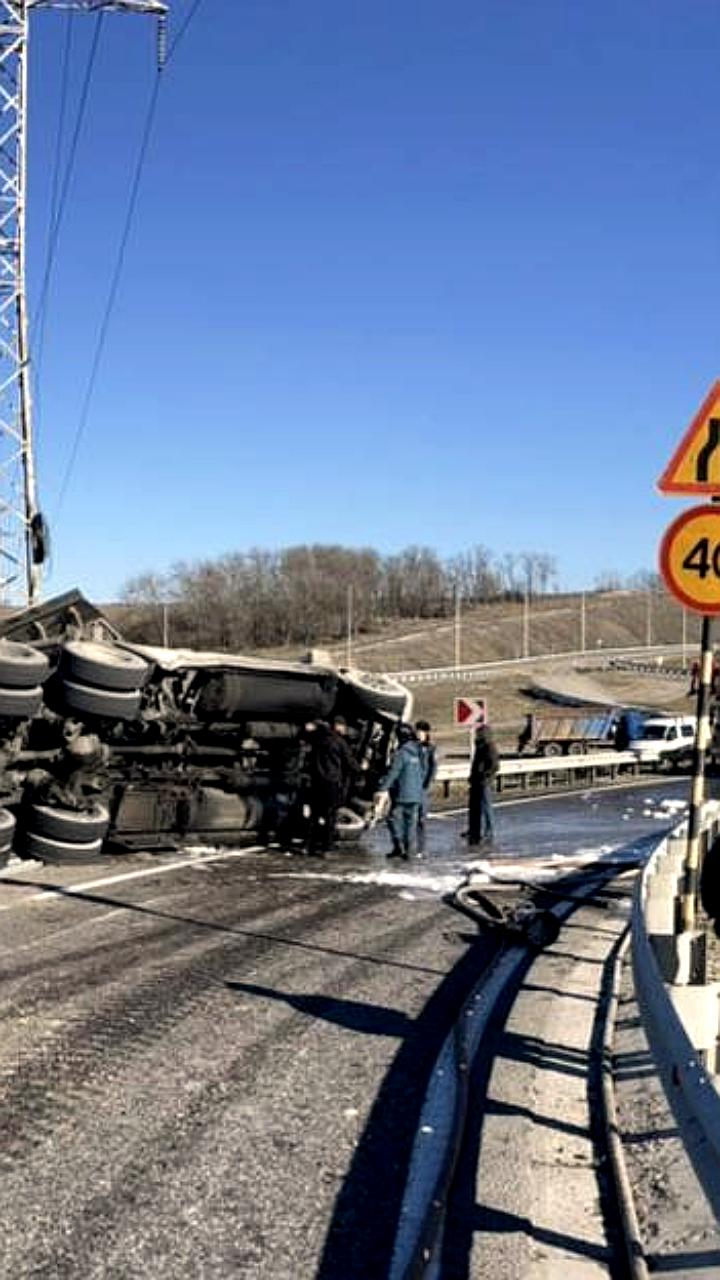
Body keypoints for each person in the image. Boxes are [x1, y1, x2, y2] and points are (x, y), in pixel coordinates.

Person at [305, 716, 361, 856]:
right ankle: (327, 848)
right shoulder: (340, 742)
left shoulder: (318, 739)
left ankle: (308, 846)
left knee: (314, 815)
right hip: (331, 783)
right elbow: (350, 763)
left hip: (316, 781)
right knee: (330, 815)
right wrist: (362, 769)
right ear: (338, 726)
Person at [377, 723, 426, 860]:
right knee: (410, 823)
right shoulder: (418, 752)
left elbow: (394, 773)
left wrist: (382, 789)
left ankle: (398, 846)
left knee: (393, 819)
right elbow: (423, 771)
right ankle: (409, 851)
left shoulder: (401, 753)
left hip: (402, 794)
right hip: (416, 794)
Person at [467, 723, 499, 847]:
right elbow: (475, 764)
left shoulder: (490, 747)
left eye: (479, 733)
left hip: (484, 782)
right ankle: (473, 830)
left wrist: (484, 775)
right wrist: (472, 776)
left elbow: (494, 765)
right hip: (476, 781)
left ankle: (488, 831)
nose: (477, 735)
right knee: (474, 808)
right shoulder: (479, 746)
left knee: (486, 808)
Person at [415, 719, 437, 855]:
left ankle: (422, 847)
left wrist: (427, 784)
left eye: (421, 732)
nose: (418, 734)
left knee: (421, 819)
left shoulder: (430, 748)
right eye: (417, 731)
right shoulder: (411, 747)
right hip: (411, 785)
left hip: (422, 787)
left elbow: (433, 767)